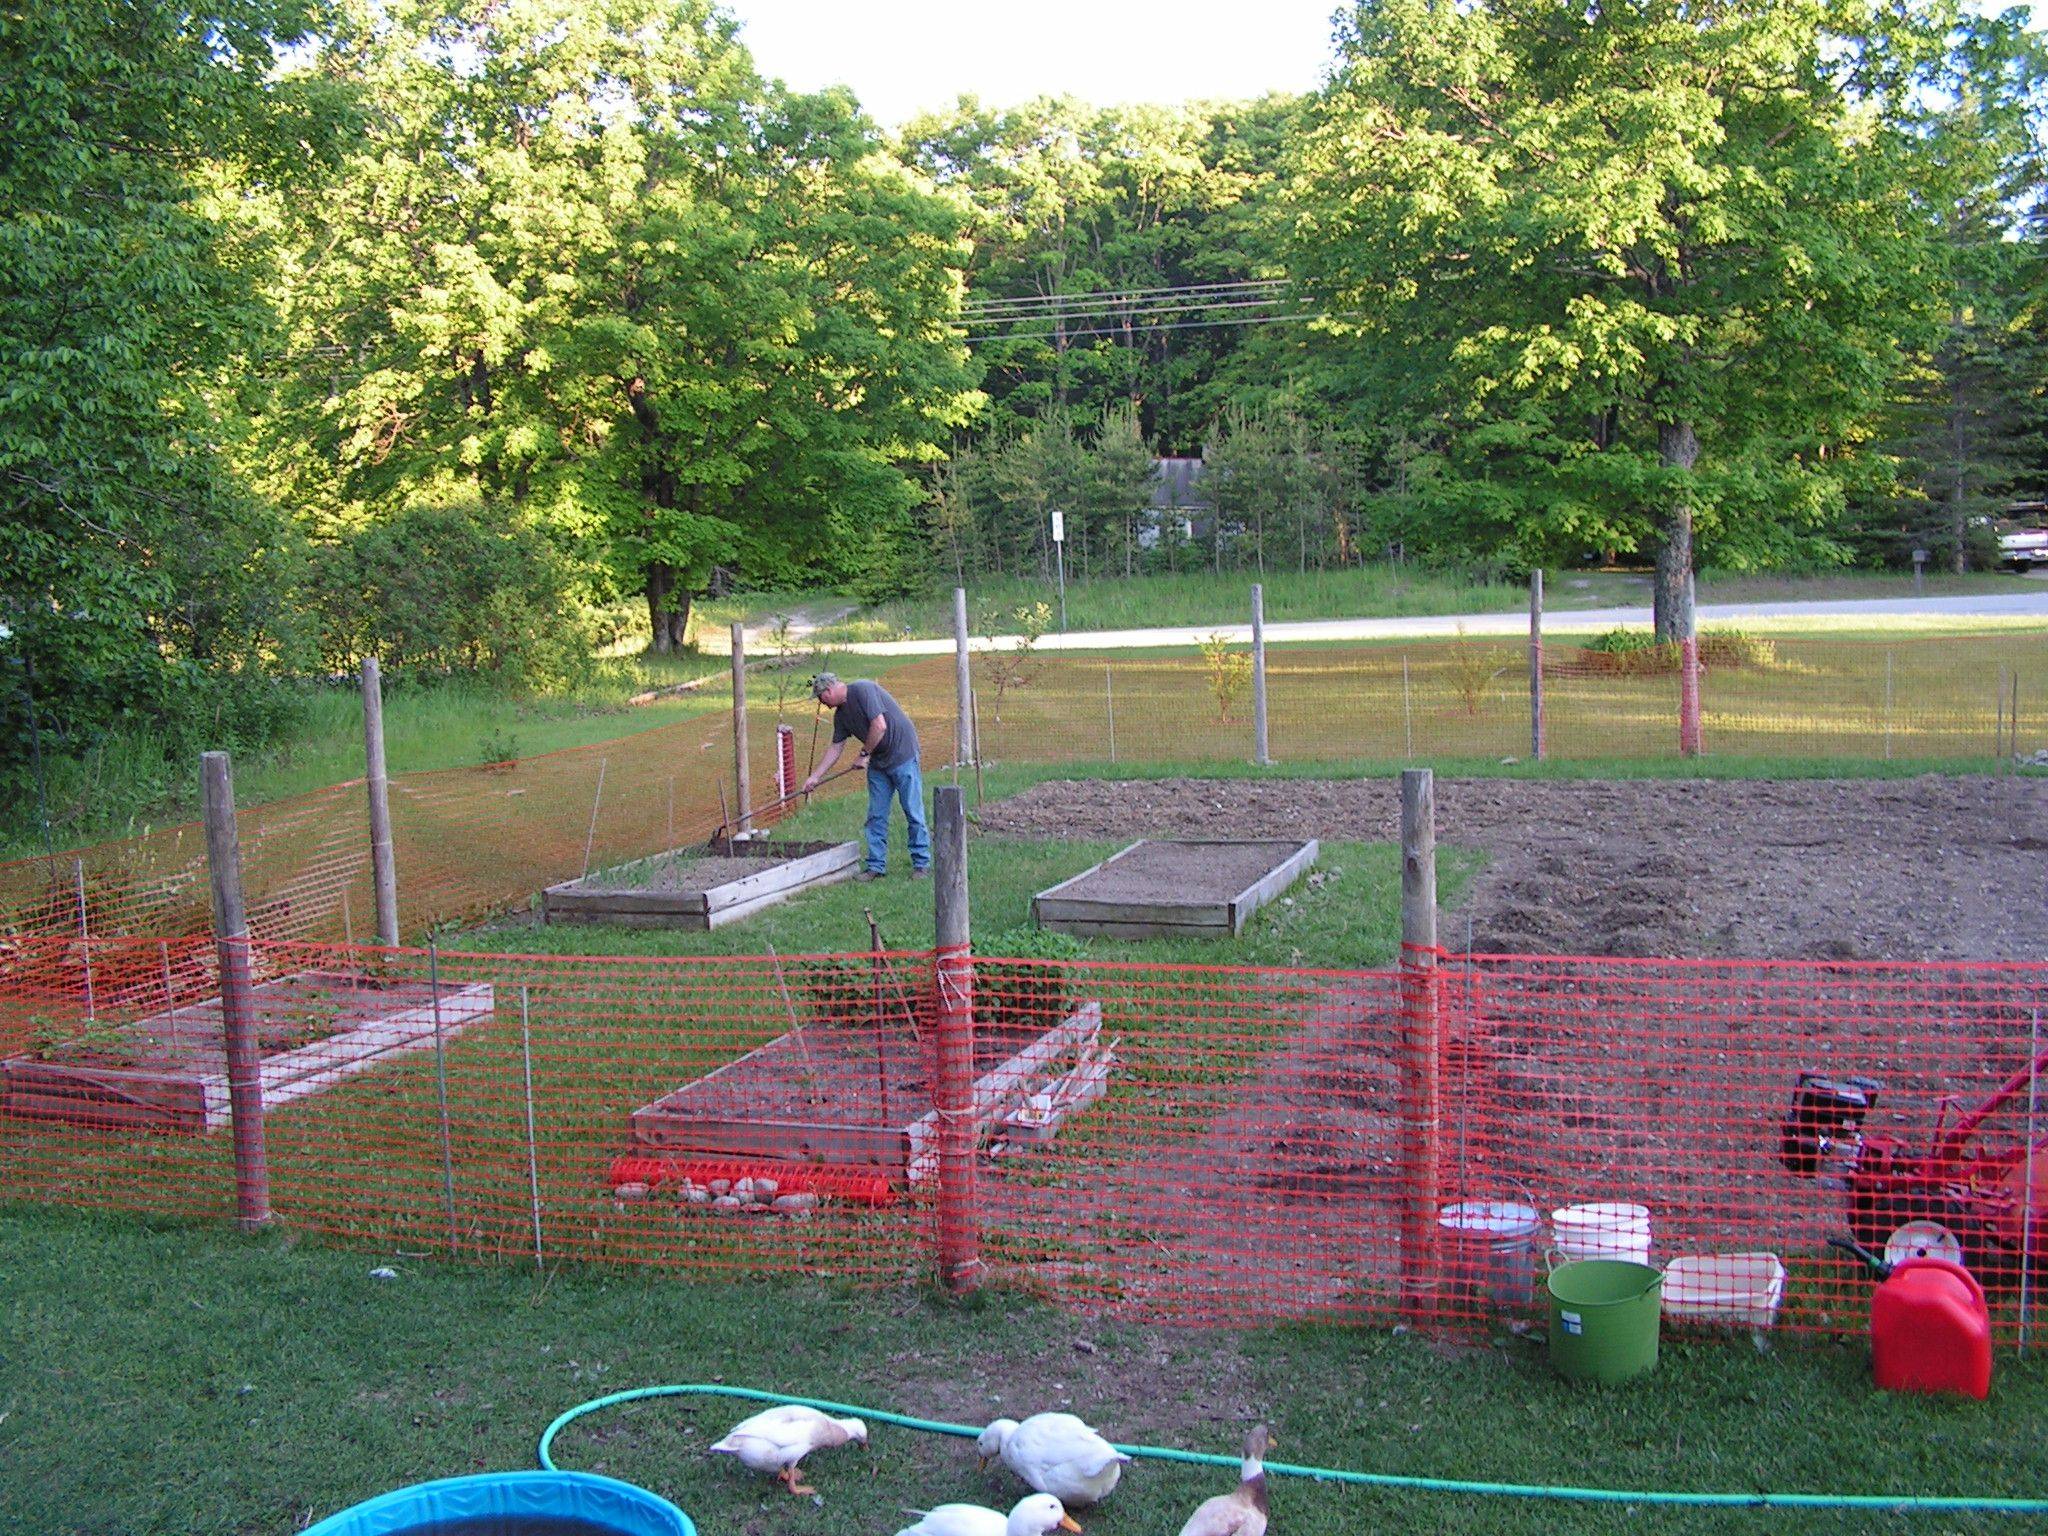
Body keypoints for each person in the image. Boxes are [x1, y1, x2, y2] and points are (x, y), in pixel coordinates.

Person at [803, 672, 930, 879]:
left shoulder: (863, 689)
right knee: (876, 816)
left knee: (912, 810)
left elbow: (879, 726)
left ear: (829, 691)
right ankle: (875, 866)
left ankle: (921, 863)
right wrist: (815, 777)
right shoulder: (841, 716)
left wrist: (864, 755)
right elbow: (836, 747)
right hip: (879, 762)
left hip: (902, 754)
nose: (821, 703)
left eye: (820, 698)